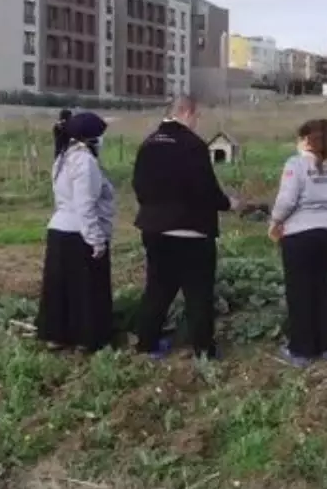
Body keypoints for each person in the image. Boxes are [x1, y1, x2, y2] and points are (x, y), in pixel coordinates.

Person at [131, 96, 238, 360]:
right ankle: (203, 349)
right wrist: (228, 203)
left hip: (155, 230)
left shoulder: (148, 144)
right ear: (187, 112)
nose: (197, 121)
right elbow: (206, 190)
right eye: (196, 116)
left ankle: (147, 343)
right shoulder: (193, 145)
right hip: (191, 231)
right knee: (198, 291)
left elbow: (138, 185)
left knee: (157, 288)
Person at [267, 119, 327, 367]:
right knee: (324, 289)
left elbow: (287, 200)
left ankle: (301, 350)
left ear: (306, 140)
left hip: (299, 236)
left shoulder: (296, 164)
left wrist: (275, 221)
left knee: (299, 291)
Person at [37, 112, 116, 352]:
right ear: (91, 137)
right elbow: (85, 205)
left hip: (59, 230)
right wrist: (96, 240)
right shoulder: (85, 162)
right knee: (86, 289)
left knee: (60, 288)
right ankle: (86, 338)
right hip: (79, 233)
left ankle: (57, 335)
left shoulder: (63, 157)